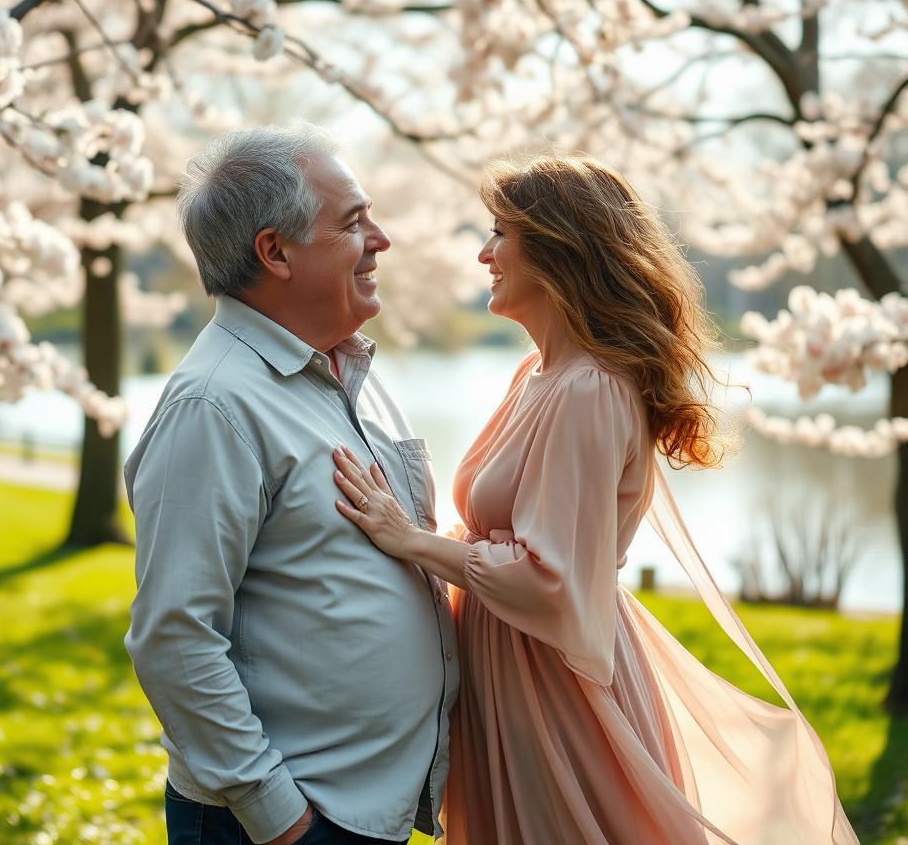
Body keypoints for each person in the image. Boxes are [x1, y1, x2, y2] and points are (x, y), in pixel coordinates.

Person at [332, 152, 860, 845]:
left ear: (557, 247)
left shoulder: (589, 389)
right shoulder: (539, 375)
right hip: (512, 673)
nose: (485, 254)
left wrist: (410, 541)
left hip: (553, 687)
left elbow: (550, 581)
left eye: (500, 233)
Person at [124, 124, 458, 845]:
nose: (382, 240)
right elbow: (174, 638)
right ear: (274, 252)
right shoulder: (214, 406)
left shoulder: (350, 374)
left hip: (364, 811)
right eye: (354, 223)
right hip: (285, 822)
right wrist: (283, 821)